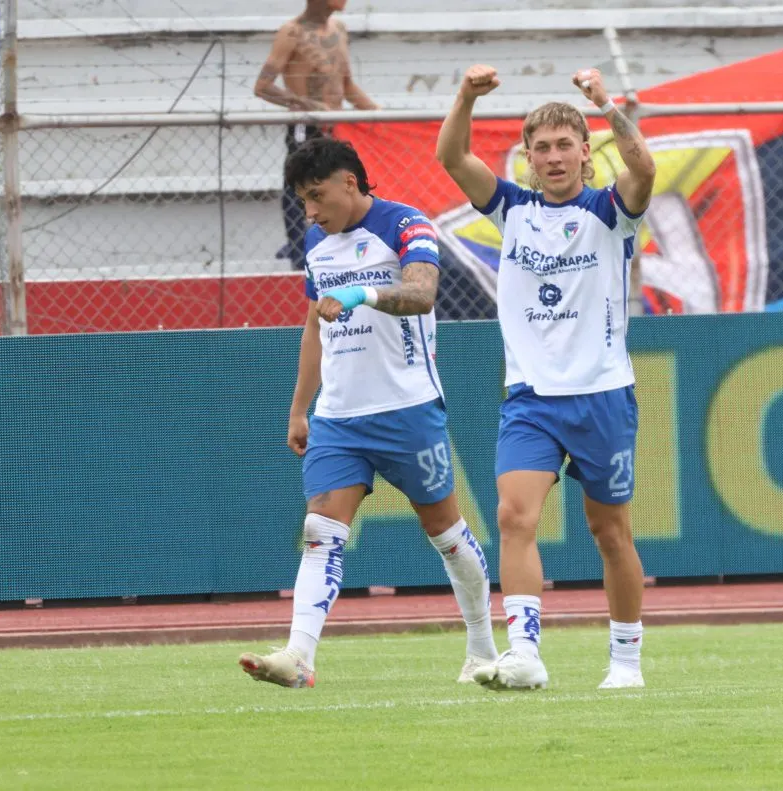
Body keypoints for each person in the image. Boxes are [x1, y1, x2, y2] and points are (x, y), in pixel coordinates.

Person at [239, 136, 497, 688]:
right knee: (320, 531)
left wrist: (361, 294)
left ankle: (481, 648)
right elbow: (315, 324)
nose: (308, 212)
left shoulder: (406, 225)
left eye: (315, 197)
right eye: (301, 201)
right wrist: (299, 409)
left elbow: (423, 294)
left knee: (447, 534)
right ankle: (299, 657)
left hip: (407, 411)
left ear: (349, 183)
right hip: (339, 418)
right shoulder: (317, 243)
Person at [436, 65, 657, 690]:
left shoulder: (611, 212)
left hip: (602, 395)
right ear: (527, 158)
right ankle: (526, 653)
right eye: (542, 148)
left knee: (610, 532)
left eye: (566, 145)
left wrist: (608, 106)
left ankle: (626, 662)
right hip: (531, 399)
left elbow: (644, 171)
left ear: (586, 154)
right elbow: (451, 156)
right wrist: (466, 96)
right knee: (513, 515)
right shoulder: (512, 209)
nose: (554, 157)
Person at [253, 0, 378, 270]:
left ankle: (332, 243)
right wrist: (310, 106)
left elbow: (345, 85)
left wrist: (377, 114)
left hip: (335, 126)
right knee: (301, 184)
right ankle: (298, 251)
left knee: (339, 184)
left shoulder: (340, 29)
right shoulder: (291, 33)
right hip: (307, 125)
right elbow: (262, 86)